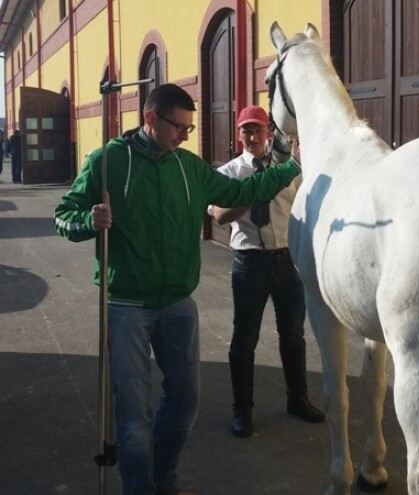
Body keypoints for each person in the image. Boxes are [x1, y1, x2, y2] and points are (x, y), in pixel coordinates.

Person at [54, 84, 299, 495]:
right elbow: (64, 214)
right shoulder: (108, 161)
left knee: (185, 403)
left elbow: (241, 193)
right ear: (151, 119)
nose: (186, 135)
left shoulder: (189, 166)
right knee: (134, 420)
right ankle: (141, 489)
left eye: (189, 128)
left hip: (179, 305)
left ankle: (162, 480)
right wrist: (88, 222)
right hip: (126, 305)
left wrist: (289, 166)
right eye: (179, 127)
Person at [208, 105, 324, 438]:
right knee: (244, 339)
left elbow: (310, 200)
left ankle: (298, 399)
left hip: (287, 259)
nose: (253, 136)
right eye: (246, 130)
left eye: (258, 130)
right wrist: (255, 189)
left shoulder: (289, 171)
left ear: (268, 134)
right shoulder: (229, 172)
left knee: (293, 335)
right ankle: (241, 410)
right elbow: (218, 215)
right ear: (239, 135)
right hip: (249, 262)